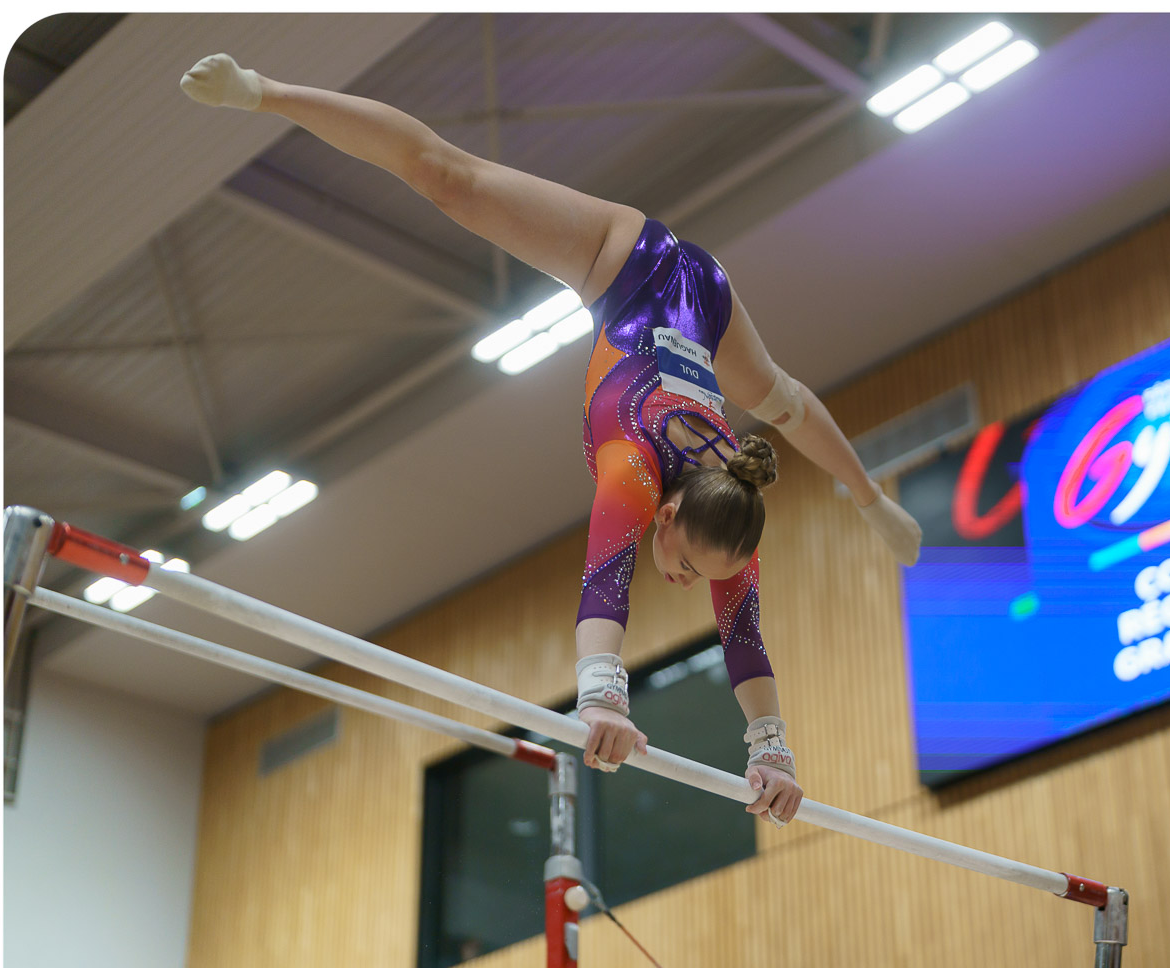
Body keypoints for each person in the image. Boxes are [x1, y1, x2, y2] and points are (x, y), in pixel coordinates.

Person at [180, 54, 924, 828]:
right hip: (627, 261)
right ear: (664, 520)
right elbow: (604, 581)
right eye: (688, 567)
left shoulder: (730, 517)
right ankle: (264, 91)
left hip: (707, 294)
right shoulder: (631, 471)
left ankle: (866, 495)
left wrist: (772, 752)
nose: (684, 582)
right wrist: (601, 696)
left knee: (781, 397)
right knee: (449, 178)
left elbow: (745, 639)